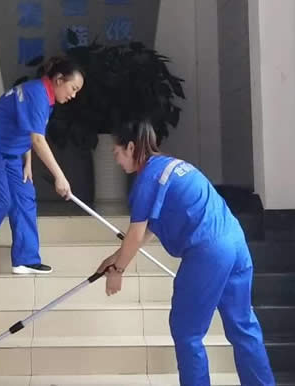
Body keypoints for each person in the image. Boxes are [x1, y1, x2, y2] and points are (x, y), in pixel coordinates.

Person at [97, 120, 275, 386]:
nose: (117, 161)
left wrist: (118, 271)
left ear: (131, 147)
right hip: (235, 242)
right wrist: (115, 258)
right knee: (243, 327)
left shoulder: (146, 178)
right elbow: (149, 229)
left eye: (117, 153)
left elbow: (135, 233)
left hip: (208, 251)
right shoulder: (173, 165)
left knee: (187, 332)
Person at [0, 57, 84, 275]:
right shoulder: (37, 94)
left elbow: (26, 129)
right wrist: (60, 176)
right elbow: (38, 139)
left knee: (25, 196)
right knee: (1, 201)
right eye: (73, 88)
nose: (73, 95)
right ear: (59, 79)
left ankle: (25, 259)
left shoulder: (43, 95)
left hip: (11, 151)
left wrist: (27, 162)